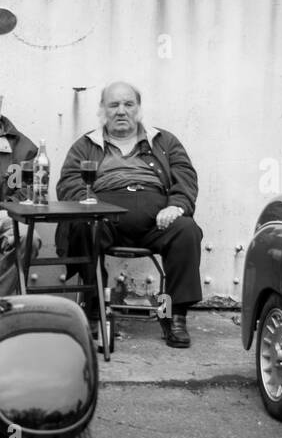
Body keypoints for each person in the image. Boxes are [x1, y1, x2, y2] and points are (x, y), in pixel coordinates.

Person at [55, 81, 203, 348]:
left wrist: (175, 206)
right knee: (82, 226)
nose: (121, 111)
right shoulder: (86, 145)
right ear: (103, 111)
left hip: (157, 221)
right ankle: (93, 308)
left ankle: (172, 315)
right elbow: (68, 182)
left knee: (186, 231)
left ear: (138, 109)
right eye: (114, 105)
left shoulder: (165, 141)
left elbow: (186, 178)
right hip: (104, 218)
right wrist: (88, 202)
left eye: (128, 104)